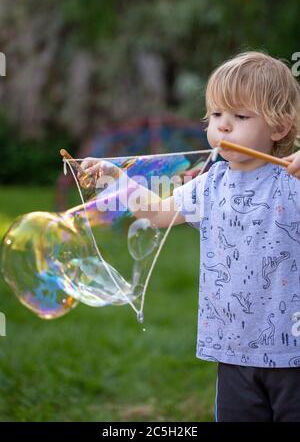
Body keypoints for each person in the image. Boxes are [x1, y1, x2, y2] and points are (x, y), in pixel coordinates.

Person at [80, 51, 300, 421]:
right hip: (232, 350)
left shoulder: (291, 183)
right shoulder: (210, 184)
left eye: (240, 117)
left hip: (292, 352)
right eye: (216, 115)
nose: (223, 127)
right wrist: (117, 180)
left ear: (278, 129)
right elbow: (159, 212)